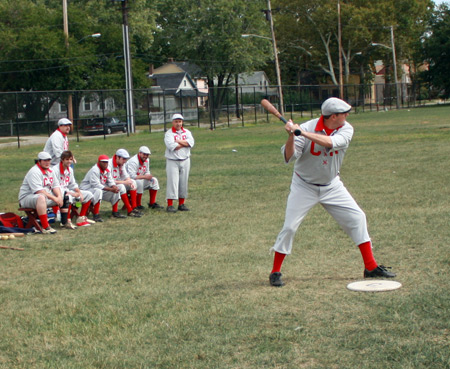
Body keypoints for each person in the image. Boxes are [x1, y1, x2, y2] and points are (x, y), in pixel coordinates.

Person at [269, 97, 396, 287]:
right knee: (289, 227)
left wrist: (302, 132)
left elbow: (330, 142)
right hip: (304, 185)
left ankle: (370, 267)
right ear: (333, 116)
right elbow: (289, 156)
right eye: (343, 113)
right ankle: (275, 272)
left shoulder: (346, 129)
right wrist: (291, 136)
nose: (347, 115)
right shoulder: (306, 127)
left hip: (331, 185)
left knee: (357, 218)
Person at [18, 151, 63, 234]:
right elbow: (38, 191)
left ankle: (65, 221)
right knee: (41, 197)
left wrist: (59, 196)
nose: (47, 162)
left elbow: (56, 185)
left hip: (44, 196)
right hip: (27, 198)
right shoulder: (34, 171)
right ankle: (46, 226)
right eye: (45, 160)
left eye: (48, 160)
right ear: (39, 161)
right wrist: (54, 198)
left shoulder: (51, 171)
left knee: (64, 193)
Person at [51, 150, 95, 228]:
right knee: (69, 197)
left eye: (71, 159)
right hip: (58, 193)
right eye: (67, 159)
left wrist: (79, 192)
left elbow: (73, 184)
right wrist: (72, 193)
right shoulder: (55, 170)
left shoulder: (70, 170)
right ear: (62, 160)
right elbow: (55, 186)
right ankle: (67, 221)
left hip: (67, 190)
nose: (69, 161)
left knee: (88, 194)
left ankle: (81, 217)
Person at [79, 155, 125, 222]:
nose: (105, 164)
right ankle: (96, 214)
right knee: (98, 191)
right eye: (103, 162)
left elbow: (110, 180)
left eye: (106, 162)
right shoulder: (95, 170)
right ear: (99, 162)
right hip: (87, 189)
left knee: (117, 189)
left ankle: (115, 212)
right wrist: (110, 189)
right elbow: (96, 185)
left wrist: (114, 186)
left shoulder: (107, 170)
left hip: (99, 188)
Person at [164, 113, 195, 213]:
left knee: (183, 182)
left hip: (185, 159)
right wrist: (184, 143)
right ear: (172, 122)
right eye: (176, 121)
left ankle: (181, 204)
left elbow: (191, 143)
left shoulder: (187, 132)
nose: (178, 123)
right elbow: (172, 146)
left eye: (180, 121)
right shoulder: (169, 134)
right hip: (172, 160)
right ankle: (170, 205)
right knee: (172, 182)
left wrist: (179, 141)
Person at [125, 146, 163, 210]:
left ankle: (152, 203)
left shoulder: (146, 160)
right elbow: (132, 176)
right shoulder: (133, 161)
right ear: (139, 153)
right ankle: (138, 204)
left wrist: (148, 176)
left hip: (140, 179)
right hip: (130, 183)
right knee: (139, 182)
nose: (145, 156)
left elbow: (147, 171)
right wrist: (145, 177)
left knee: (154, 180)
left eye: (147, 155)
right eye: (144, 154)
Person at [108, 149, 142, 217]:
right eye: (123, 159)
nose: (124, 161)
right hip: (108, 186)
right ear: (117, 157)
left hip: (117, 183)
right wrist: (124, 182)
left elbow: (126, 175)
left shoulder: (121, 163)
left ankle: (134, 207)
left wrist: (129, 181)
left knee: (133, 182)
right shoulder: (109, 164)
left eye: (125, 159)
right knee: (121, 186)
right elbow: (109, 181)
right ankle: (129, 210)